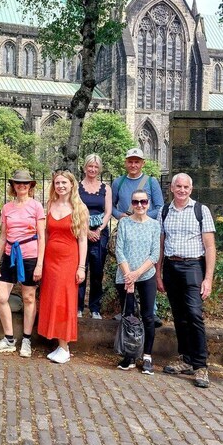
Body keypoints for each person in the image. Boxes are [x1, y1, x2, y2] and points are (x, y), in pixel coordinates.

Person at [156, 173, 216, 388]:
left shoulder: (201, 210)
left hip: (193, 266)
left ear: (191, 189)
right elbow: (161, 245)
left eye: (186, 187)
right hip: (172, 266)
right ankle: (186, 359)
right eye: (178, 186)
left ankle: (201, 365)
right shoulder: (164, 211)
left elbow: (210, 247)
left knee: (194, 314)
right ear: (172, 188)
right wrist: (158, 273)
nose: (182, 190)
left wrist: (208, 278)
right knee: (179, 315)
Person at [0, 169, 46, 357]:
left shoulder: (36, 206)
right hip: (9, 255)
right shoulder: (7, 208)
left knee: (28, 297)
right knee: (0, 295)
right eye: (18, 183)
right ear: (13, 185)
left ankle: (27, 340)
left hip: (30, 256)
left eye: (26, 183)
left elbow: (42, 237)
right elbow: (3, 236)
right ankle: (9, 339)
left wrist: (39, 264)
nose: (22, 186)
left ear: (30, 186)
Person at [38, 171, 88, 364]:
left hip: (69, 261)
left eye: (64, 182)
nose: (60, 186)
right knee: (52, 300)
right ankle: (59, 345)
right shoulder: (49, 204)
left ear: (72, 184)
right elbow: (46, 235)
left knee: (65, 302)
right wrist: (42, 262)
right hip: (51, 260)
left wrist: (81, 267)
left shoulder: (79, 208)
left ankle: (65, 347)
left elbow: (83, 239)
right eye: (57, 183)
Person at [112, 148, 165, 326]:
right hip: (127, 230)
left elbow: (160, 206)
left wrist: (143, 213)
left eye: (137, 161)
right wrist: (121, 215)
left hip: (145, 229)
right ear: (125, 163)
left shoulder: (151, 182)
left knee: (146, 271)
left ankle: (151, 311)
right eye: (130, 161)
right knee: (126, 267)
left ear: (143, 163)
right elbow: (111, 207)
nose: (133, 165)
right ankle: (128, 312)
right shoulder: (118, 182)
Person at [114, 190, 160, 373]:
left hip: (146, 276)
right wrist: (128, 276)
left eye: (143, 202)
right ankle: (130, 355)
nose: (140, 205)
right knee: (129, 317)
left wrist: (136, 274)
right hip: (125, 277)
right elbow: (119, 250)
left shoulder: (155, 225)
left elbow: (154, 254)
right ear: (131, 203)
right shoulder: (124, 223)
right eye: (136, 202)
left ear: (148, 203)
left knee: (148, 317)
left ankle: (147, 355)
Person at [78, 154, 112, 319]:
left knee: (97, 272)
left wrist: (98, 230)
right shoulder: (76, 187)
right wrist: (86, 231)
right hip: (80, 232)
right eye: (90, 166)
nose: (92, 169)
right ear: (85, 167)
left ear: (100, 169)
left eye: (96, 167)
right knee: (80, 268)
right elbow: (74, 211)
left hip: (100, 233)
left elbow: (108, 212)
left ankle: (95, 308)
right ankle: (78, 306)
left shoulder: (106, 188)